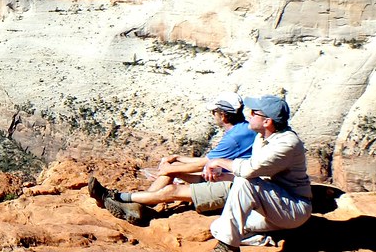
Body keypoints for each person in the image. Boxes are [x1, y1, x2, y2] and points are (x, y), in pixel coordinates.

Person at [88, 92, 257, 225]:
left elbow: (202, 164)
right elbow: (208, 160)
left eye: (214, 112)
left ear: (223, 115)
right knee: (172, 168)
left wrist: (171, 168)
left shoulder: (234, 137)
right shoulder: (242, 129)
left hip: (231, 186)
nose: (213, 116)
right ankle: (142, 205)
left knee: (171, 190)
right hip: (224, 177)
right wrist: (175, 159)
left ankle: (113, 196)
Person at [197, 94, 313, 252]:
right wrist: (223, 175)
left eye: (253, 112)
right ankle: (267, 238)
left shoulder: (287, 143)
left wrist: (218, 162)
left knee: (243, 186)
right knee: (218, 228)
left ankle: (228, 249)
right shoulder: (261, 138)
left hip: (293, 208)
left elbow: (248, 172)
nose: (248, 115)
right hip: (272, 204)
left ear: (267, 121)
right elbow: (255, 176)